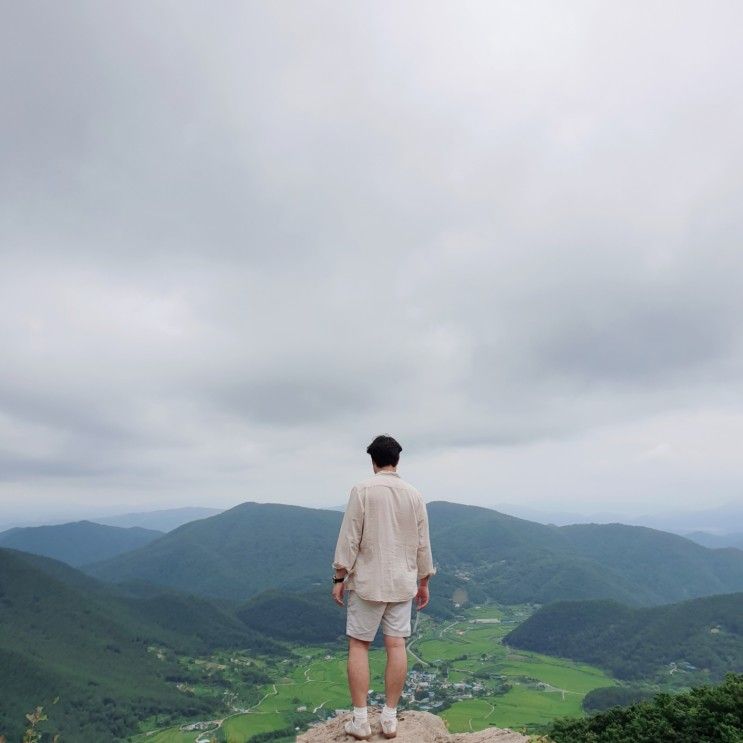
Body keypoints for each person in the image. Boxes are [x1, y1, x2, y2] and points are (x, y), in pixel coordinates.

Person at [332, 435, 436, 740]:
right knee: (396, 645)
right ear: (397, 460)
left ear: (372, 461)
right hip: (402, 583)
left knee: (359, 645)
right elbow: (423, 543)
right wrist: (424, 581)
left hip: (368, 583)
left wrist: (339, 578)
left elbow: (350, 538)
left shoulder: (362, 490)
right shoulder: (414, 494)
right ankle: (390, 719)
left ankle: (361, 720)